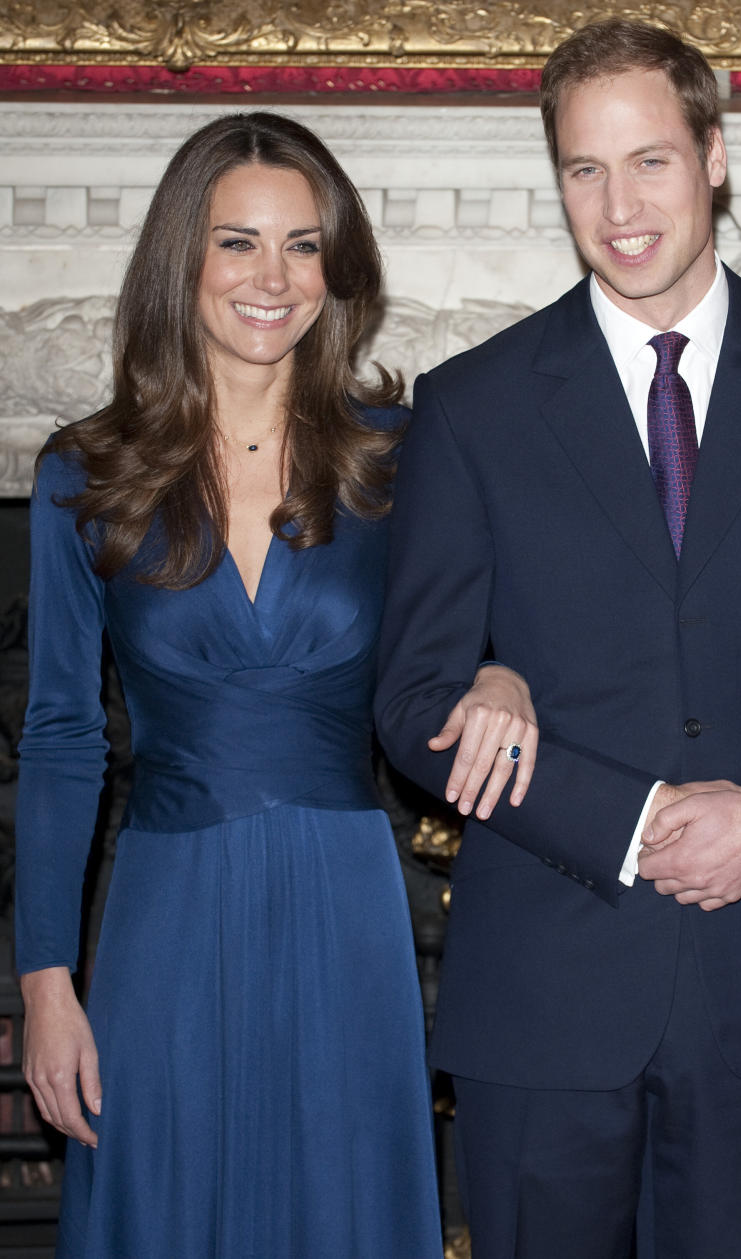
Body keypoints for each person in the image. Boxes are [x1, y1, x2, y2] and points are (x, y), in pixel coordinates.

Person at [374, 19, 741, 1259]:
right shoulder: (473, 405)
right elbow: (416, 690)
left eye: (649, 161)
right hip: (542, 993)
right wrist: (628, 819)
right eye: (584, 170)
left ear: (716, 156)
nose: (619, 205)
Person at [15, 111, 537, 1259]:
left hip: (345, 899)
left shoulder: (400, 455)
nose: (274, 277)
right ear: (181, 260)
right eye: (238, 241)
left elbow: (488, 634)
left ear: (335, 266)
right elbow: (61, 734)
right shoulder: (82, 474)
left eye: (304, 244)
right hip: (163, 907)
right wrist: (46, 982)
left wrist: (503, 670)